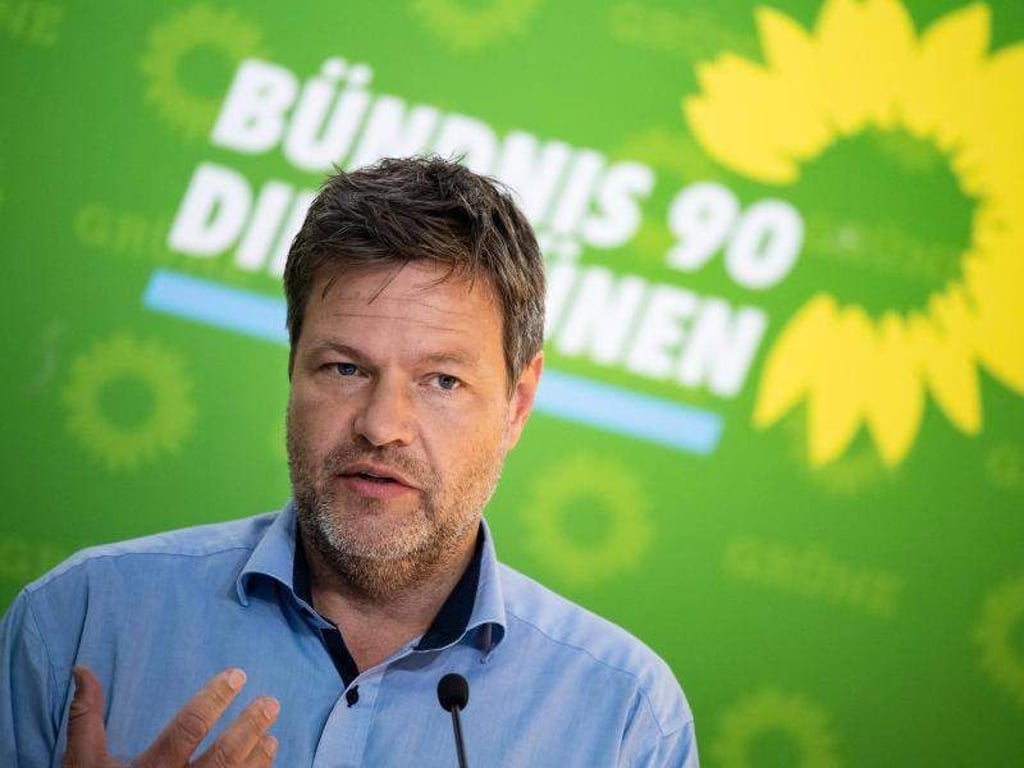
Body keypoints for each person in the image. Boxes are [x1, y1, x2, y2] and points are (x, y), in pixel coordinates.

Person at [0, 157, 698, 766]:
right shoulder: (78, 622)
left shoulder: (628, 718)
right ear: (294, 368)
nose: (382, 426)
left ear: (518, 403)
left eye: (442, 381)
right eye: (343, 369)